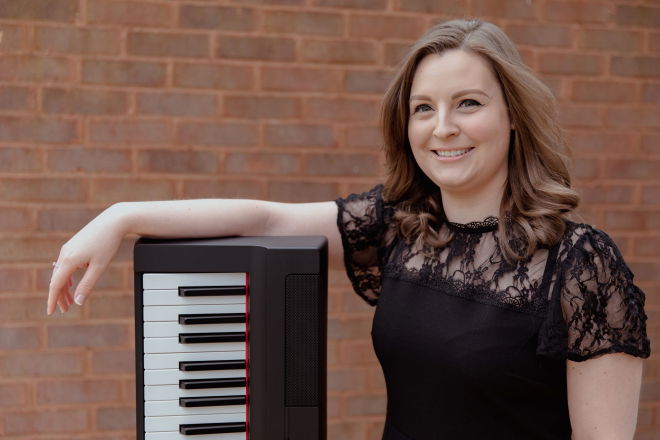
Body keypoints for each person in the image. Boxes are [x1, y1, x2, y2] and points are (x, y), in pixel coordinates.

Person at [47, 18, 650, 440]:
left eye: (468, 103)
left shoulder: (581, 263)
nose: (443, 127)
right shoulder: (400, 226)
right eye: (423, 107)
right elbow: (269, 219)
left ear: (513, 116)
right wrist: (121, 217)